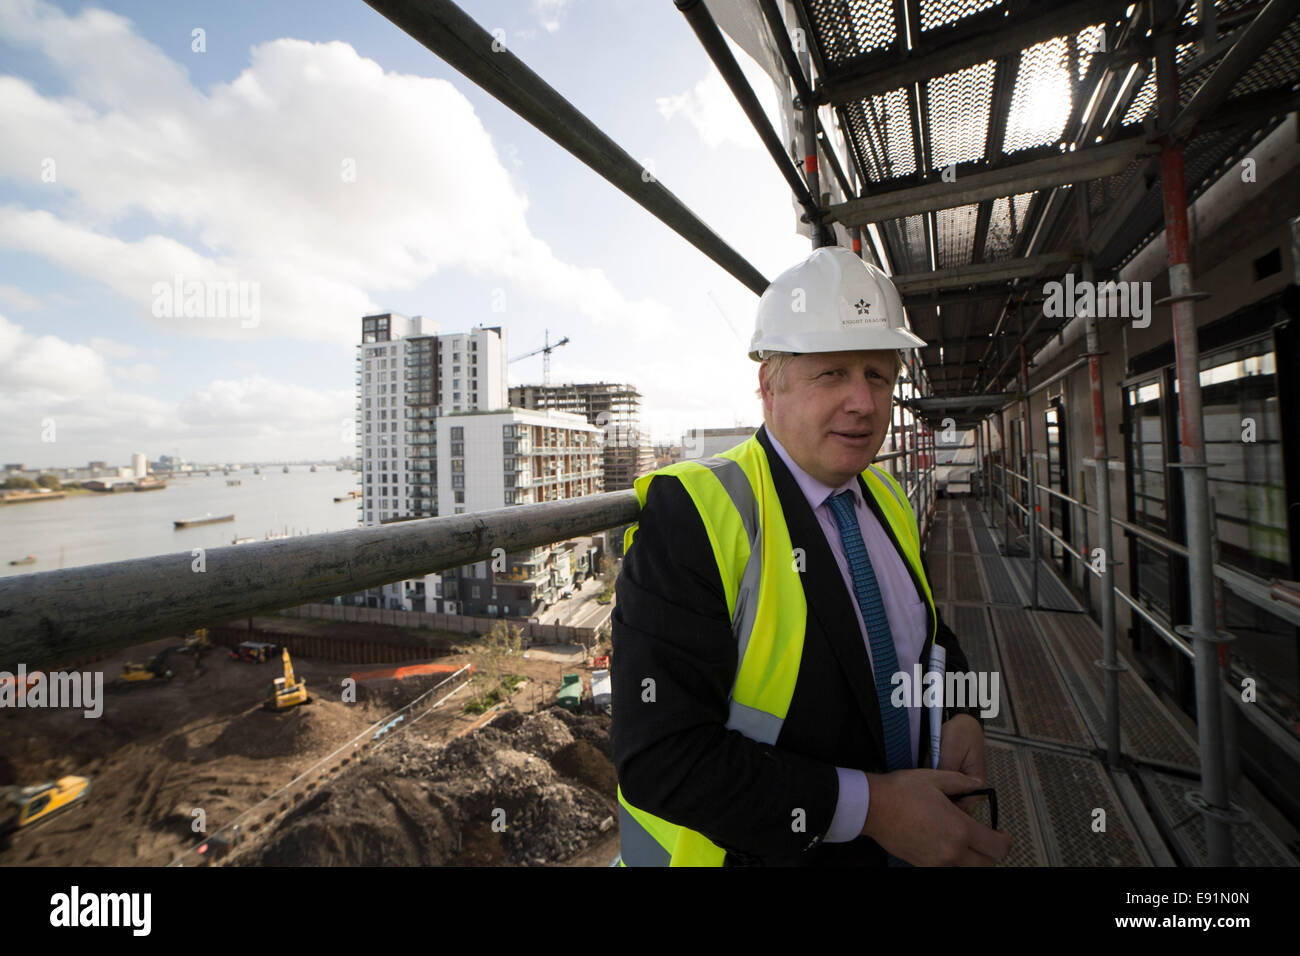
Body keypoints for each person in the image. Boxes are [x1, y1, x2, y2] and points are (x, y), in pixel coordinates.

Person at [611, 246, 1012, 866]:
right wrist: (875, 808)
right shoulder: (696, 515)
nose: (863, 402)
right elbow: (661, 759)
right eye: (832, 373)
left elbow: (928, 631)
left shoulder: (883, 495)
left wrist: (958, 711)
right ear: (769, 385)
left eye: (877, 374)